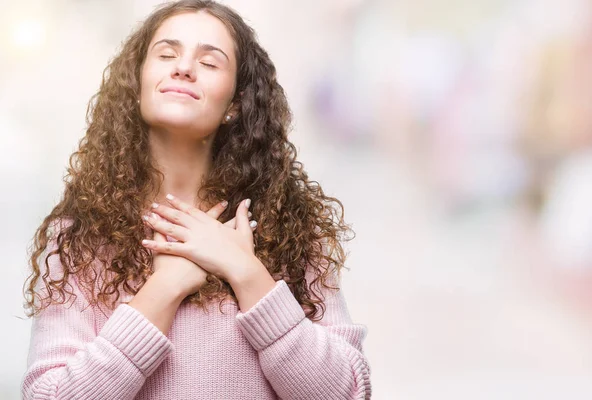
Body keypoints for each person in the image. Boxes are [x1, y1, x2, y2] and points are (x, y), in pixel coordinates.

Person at [20, 1, 372, 399]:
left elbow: (345, 393)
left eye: (209, 62)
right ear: (136, 84)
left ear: (235, 104)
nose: (183, 67)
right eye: (167, 54)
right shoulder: (78, 238)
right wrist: (164, 287)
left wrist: (246, 271)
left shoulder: (289, 227)